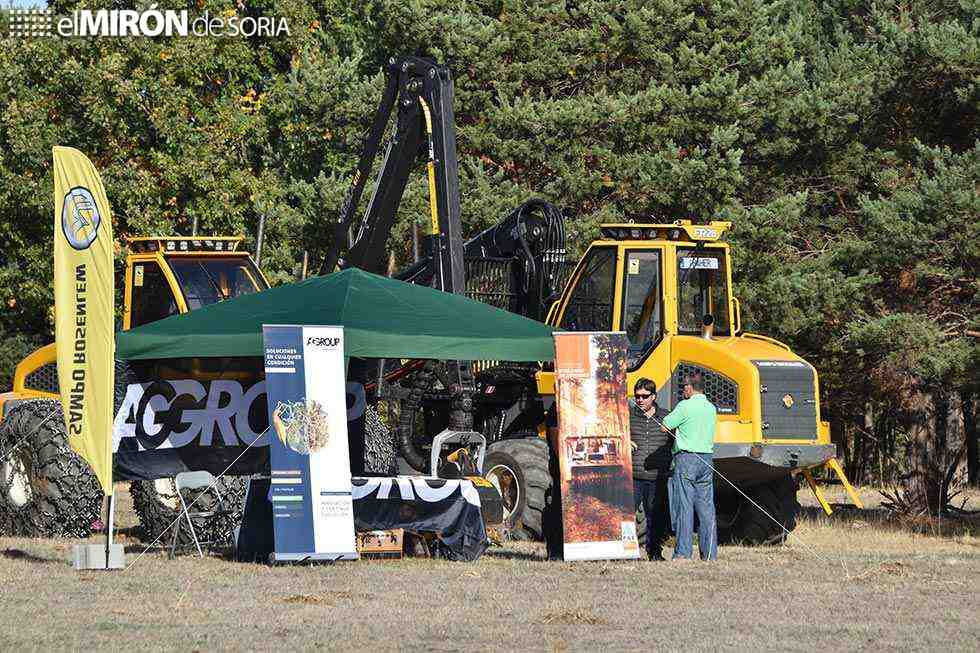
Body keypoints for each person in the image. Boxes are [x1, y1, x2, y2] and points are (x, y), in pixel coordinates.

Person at [661, 372, 718, 561]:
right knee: (707, 509)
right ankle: (709, 554)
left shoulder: (685, 406)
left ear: (690, 387)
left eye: (684, 386)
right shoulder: (711, 408)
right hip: (707, 459)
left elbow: (665, 425)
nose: (683, 389)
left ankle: (683, 553)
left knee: (684, 506)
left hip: (687, 458)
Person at [629, 377, 671, 561]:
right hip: (633, 475)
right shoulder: (628, 416)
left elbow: (676, 441)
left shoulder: (666, 417)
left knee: (655, 515)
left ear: (653, 396)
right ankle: (628, 551)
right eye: (637, 396)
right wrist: (625, 442)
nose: (640, 400)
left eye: (645, 396)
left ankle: (654, 552)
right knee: (627, 516)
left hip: (657, 476)